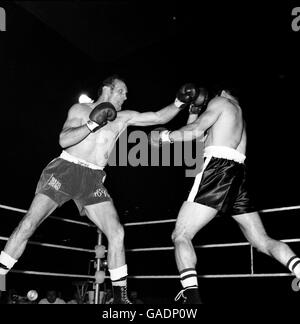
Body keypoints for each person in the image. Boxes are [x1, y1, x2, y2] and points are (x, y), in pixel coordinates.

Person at [0, 75, 199, 304]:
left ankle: (120, 299)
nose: (126, 97)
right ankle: (0, 282)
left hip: (93, 179)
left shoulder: (123, 117)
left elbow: (157, 116)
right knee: (28, 224)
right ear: (107, 89)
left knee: (117, 232)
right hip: (65, 170)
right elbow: (64, 140)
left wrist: (179, 102)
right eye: (122, 91)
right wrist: (92, 124)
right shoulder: (80, 109)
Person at [150, 86, 300, 304]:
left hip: (217, 171)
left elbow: (194, 132)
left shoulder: (220, 103)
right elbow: (197, 138)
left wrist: (163, 137)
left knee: (181, 235)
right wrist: (193, 110)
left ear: (222, 92)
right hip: (238, 175)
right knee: (262, 240)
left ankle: (192, 301)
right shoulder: (238, 116)